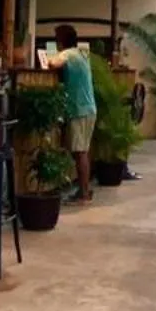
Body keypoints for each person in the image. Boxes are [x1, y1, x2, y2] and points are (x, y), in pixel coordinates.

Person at [50, 25, 96, 203]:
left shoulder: (67, 54)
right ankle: (85, 190)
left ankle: (84, 193)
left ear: (61, 41)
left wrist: (51, 56)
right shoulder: (82, 54)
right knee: (83, 150)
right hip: (88, 108)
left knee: (80, 152)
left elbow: (52, 63)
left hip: (79, 109)